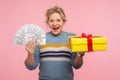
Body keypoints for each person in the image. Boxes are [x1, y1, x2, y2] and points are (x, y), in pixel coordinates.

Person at [24, 6, 85, 80]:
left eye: (58, 20)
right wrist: (30, 54)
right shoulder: (40, 39)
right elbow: (31, 67)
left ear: (63, 21)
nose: (55, 23)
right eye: (51, 21)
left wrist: (80, 55)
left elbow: (77, 66)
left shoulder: (72, 38)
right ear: (48, 22)